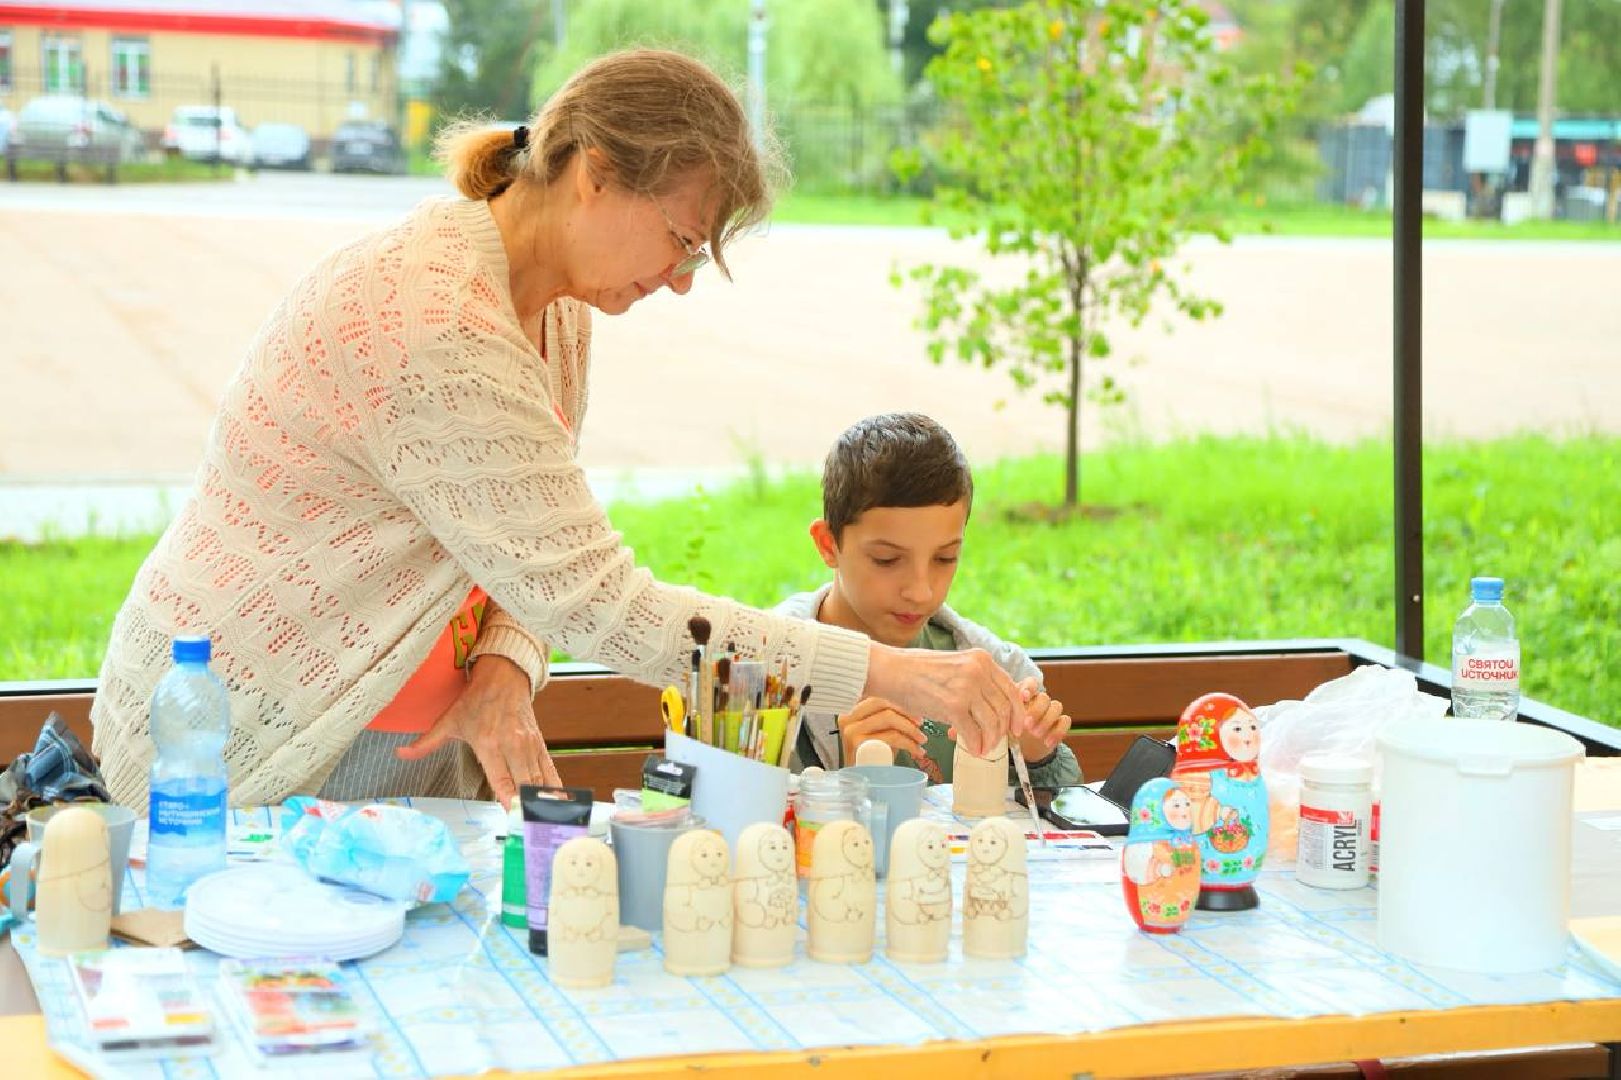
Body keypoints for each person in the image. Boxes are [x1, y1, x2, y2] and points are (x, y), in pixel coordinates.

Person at [90, 50, 1025, 811]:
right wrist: (897, 672)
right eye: (683, 239)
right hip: (250, 738)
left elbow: (523, 554)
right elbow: (602, 606)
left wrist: (502, 664)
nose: (682, 279)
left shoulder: (557, 305)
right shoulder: (441, 324)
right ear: (595, 175)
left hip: (408, 734)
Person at [775, 413, 1082, 787]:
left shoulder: (990, 670)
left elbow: (1065, 820)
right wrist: (850, 782)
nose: (921, 591)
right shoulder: (766, 681)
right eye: (887, 560)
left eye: (945, 558)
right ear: (828, 544)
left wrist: (1037, 756)